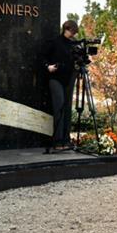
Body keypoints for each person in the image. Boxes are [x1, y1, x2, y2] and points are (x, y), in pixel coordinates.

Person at [39, 20, 78, 151]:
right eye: (71, 31)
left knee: (67, 108)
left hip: (69, 78)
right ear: (66, 29)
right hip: (55, 78)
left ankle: (66, 140)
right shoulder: (55, 41)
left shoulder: (73, 44)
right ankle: (58, 141)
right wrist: (47, 66)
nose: (73, 34)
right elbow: (42, 56)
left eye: (74, 32)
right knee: (59, 106)